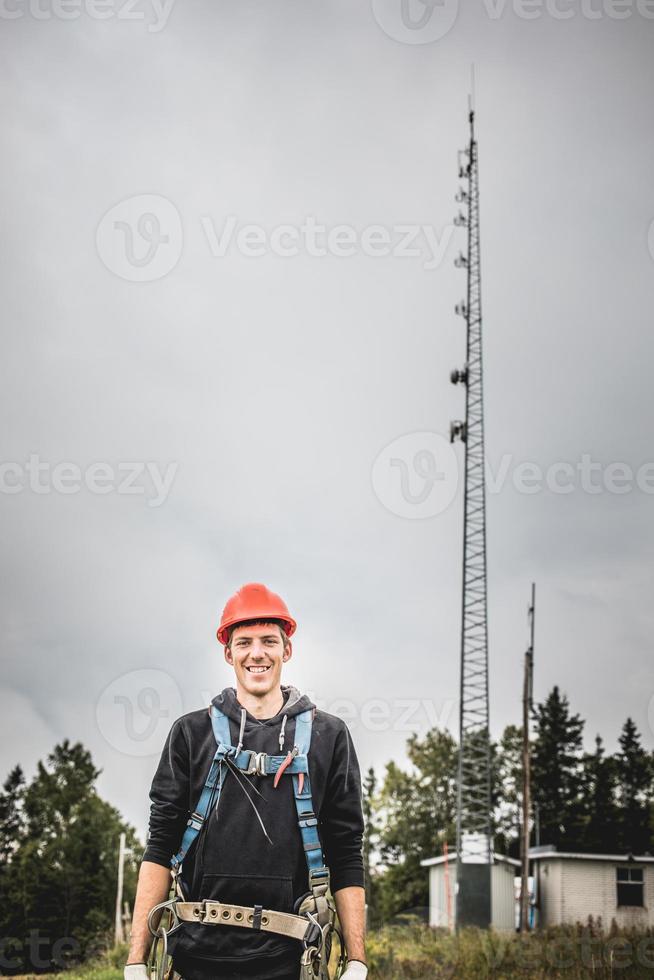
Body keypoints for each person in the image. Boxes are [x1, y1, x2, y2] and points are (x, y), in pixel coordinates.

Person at [124, 583, 368, 980]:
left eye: (269, 641)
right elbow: (160, 845)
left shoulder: (329, 736)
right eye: (245, 642)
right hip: (196, 956)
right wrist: (137, 958)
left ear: (286, 650)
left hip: (292, 960)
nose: (258, 653)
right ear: (229, 653)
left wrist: (356, 959)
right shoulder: (190, 734)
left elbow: (346, 852)